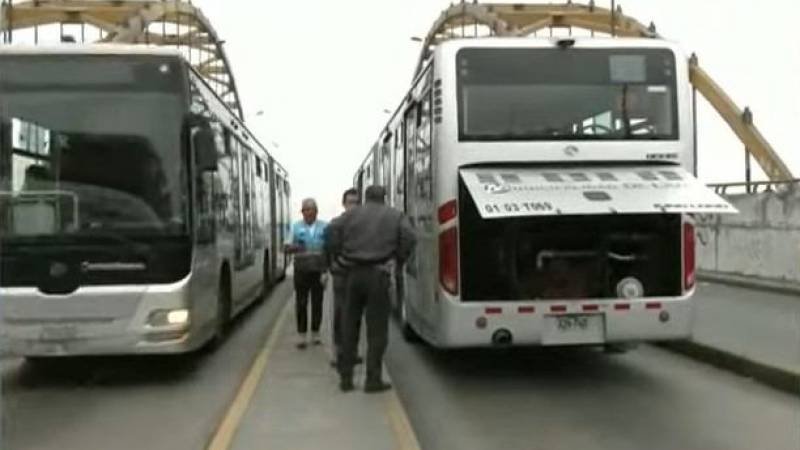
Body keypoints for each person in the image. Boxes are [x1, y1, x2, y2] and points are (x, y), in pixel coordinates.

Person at [328, 185, 416, 393]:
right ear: (384, 197)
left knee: (350, 326)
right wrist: (398, 258)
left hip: (352, 274)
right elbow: (410, 237)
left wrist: (338, 256)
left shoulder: (351, 215)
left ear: (365, 197)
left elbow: (331, 230)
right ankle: (372, 379)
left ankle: (346, 379)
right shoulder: (395, 215)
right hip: (379, 274)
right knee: (377, 330)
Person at [324, 188, 363, 367]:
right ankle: (339, 352)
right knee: (340, 314)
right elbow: (328, 249)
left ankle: (352, 352)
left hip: (359, 275)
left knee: (355, 315)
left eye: (356, 202)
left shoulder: (365, 224)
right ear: (344, 204)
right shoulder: (336, 225)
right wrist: (329, 269)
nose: (353, 206)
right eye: (350, 202)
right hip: (341, 276)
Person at [285, 198, 328, 349]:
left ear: (316, 211)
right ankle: (301, 335)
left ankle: (315, 333)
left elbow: (328, 249)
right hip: (301, 271)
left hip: (318, 271)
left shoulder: (325, 227)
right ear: (302, 212)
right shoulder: (296, 227)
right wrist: (295, 247)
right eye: (305, 210)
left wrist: (326, 271)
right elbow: (287, 247)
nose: (308, 213)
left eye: (311, 210)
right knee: (301, 303)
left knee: (317, 303)